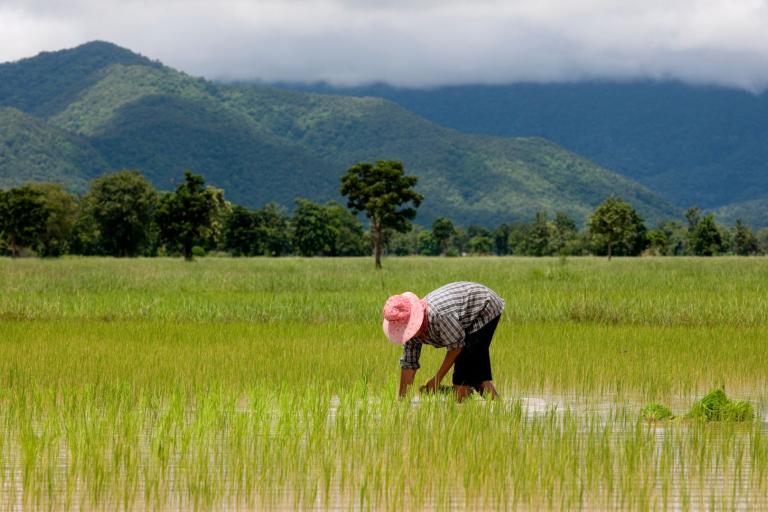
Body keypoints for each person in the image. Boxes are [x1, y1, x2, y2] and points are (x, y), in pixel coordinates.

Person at [382, 281, 504, 401]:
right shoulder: (410, 336)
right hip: (461, 318)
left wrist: (436, 380)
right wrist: (402, 401)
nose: (408, 333)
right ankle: (499, 409)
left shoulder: (440, 316)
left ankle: (461, 396)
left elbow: (456, 347)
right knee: (474, 374)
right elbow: (409, 363)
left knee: (463, 379)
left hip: (483, 306)